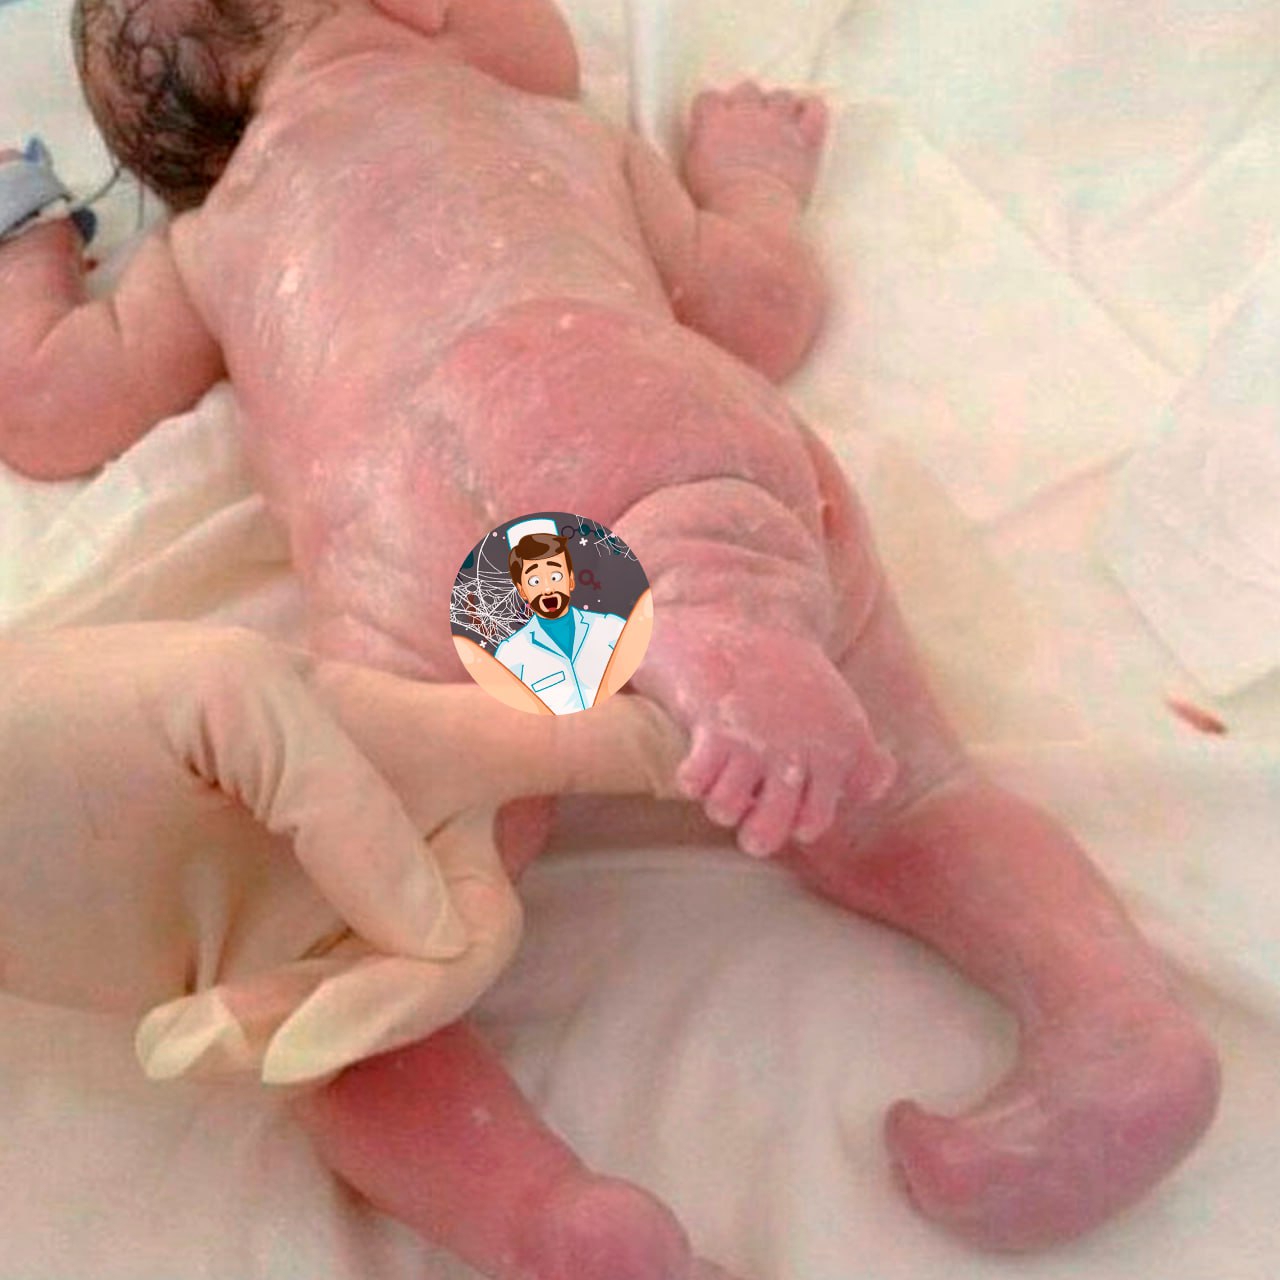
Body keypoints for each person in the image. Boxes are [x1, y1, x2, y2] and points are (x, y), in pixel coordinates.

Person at [0, 0, 1221, 1275]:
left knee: (355, 973)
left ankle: (550, 1218)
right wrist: (750, 178)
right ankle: (1108, 1017)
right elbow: (760, 308)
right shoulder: (547, 130)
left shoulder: (213, 246)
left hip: (439, 570)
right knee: (908, 796)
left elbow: (43, 411)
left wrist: (25, 235)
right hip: (634, 434)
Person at [494, 519, 627, 713]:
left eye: (555, 576)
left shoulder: (612, 629)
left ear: (571, 579)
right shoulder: (510, 655)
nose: (548, 589)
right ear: (522, 591)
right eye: (535, 581)